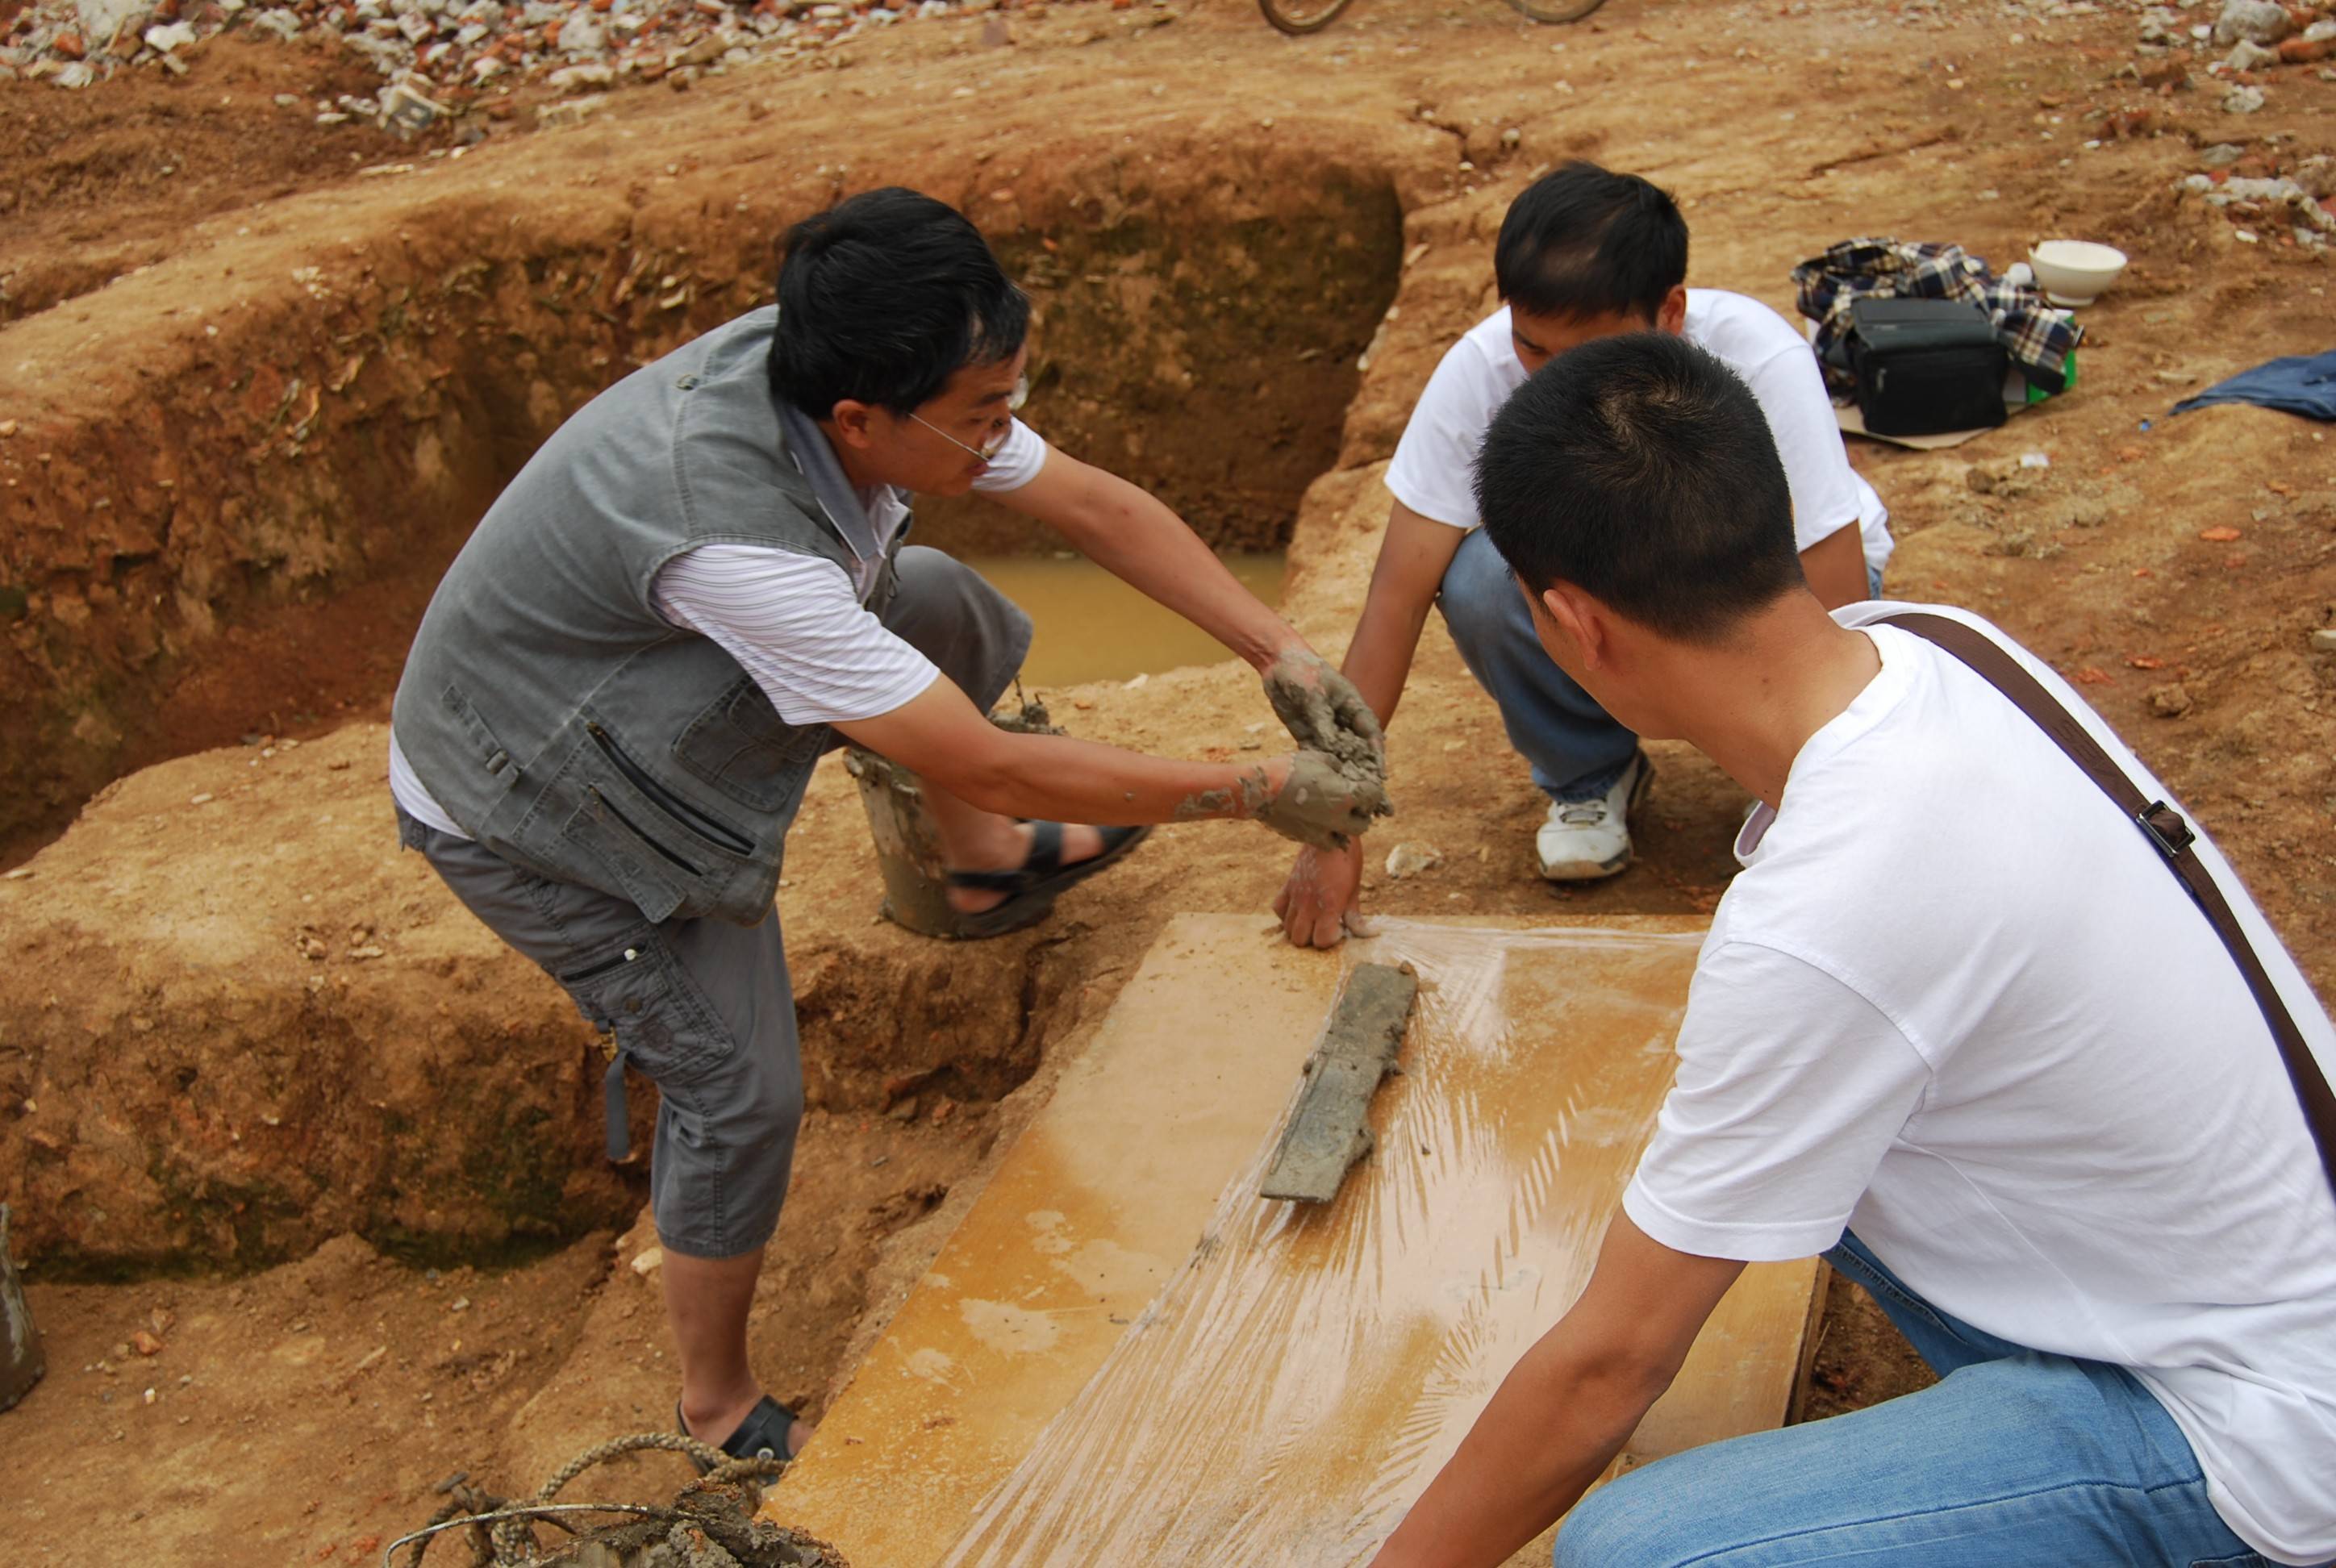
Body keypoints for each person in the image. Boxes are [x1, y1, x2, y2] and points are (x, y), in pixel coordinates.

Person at [386, 189, 1385, 1473]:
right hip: (532, 795)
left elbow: (1098, 511)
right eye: (985, 420)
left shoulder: (860, 367)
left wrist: (1279, 650)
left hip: (621, 677)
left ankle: (973, 874)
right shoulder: (734, 537)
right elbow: (981, 753)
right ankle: (718, 1407)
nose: (1005, 439)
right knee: (739, 1089)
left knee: (941, 602)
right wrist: (1256, 789)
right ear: (861, 419)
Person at [1365, 333, 2336, 1568]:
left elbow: (1611, 1372)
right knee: (1771, 1141)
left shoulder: (1833, 910)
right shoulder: (1928, 643)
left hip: (2263, 1429)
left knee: (1639, 1549)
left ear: (1574, 624)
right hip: (2275, 1258)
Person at [1277, 162, 1892, 946]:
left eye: (1587, 354)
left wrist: (1821, 790)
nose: (1552, 381)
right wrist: (1336, 820)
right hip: (1605, 575)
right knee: (1473, 579)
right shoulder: (1478, 369)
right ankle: (1590, 775)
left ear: (1669, 313)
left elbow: (1834, 581)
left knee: (1801, 649)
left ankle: (1779, 781)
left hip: (1745, 575)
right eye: (1532, 348)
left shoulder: (1760, 356)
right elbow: (1395, 600)